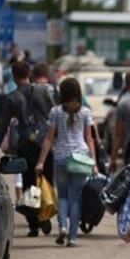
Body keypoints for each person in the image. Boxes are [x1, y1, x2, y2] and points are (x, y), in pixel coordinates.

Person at [0, 61, 55, 237]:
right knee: (46, 181)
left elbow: (2, 128)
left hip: (26, 144)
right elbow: (54, 114)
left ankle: (33, 224)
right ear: (30, 74)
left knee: (29, 184)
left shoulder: (12, 98)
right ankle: (44, 214)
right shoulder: (43, 91)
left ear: (13, 75)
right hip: (45, 143)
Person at [35, 78, 97, 247]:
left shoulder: (55, 112)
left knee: (62, 196)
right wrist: (94, 163)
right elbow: (89, 139)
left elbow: (49, 138)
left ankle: (62, 226)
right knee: (75, 198)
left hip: (61, 157)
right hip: (81, 158)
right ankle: (72, 237)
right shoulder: (85, 112)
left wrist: (40, 162)